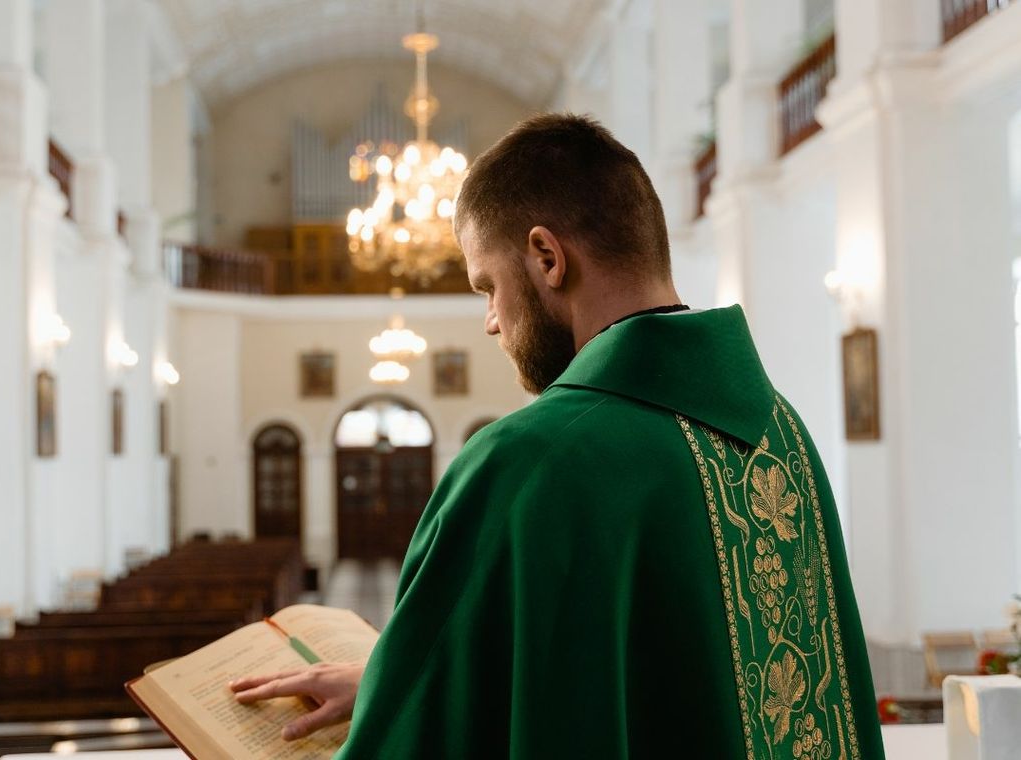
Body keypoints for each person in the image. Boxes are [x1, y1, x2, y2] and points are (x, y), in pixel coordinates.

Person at [229, 113, 886, 759]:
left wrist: (390, 715)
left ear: (546, 257)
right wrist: (389, 685)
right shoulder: (780, 431)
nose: (490, 321)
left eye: (487, 286)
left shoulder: (529, 459)